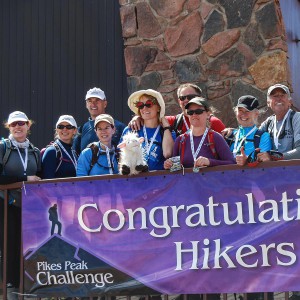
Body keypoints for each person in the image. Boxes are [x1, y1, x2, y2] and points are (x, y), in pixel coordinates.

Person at [0, 111, 41, 298]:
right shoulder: (3, 147)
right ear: (8, 126)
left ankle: (27, 288)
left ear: (28, 125)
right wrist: (25, 178)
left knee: (28, 246)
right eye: (13, 124)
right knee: (9, 246)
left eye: (21, 123)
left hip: (28, 208)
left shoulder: (33, 150)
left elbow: (39, 176)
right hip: (6, 205)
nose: (18, 127)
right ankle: (10, 290)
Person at [164, 97, 235, 171]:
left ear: (208, 114)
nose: (194, 115)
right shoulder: (180, 140)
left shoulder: (215, 137)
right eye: (190, 112)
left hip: (210, 182)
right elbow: (176, 169)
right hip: (186, 182)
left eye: (198, 111)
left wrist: (210, 162)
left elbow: (232, 163)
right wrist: (169, 165)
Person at [129, 83, 226, 136]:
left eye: (191, 97)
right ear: (179, 101)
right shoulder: (173, 121)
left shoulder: (213, 122)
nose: (186, 100)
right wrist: (138, 117)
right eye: (182, 98)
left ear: (200, 99)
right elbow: (151, 116)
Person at [121, 89, 174, 170]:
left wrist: (166, 127)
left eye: (149, 104)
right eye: (140, 105)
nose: (144, 108)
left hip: (158, 181)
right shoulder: (130, 130)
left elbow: (167, 154)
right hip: (134, 180)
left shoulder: (167, 132)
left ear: (158, 108)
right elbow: (122, 158)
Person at [73, 87, 125, 154]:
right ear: (86, 105)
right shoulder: (81, 130)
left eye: (97, 100)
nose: (93, 104)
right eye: (90, 101)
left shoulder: (120, 127)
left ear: (105, 104)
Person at [257, 83, 300, 162]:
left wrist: (274, 157)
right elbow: (253, 136)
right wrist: (232, 131)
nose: (279, 99)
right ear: (268, 103)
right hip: (274, 171)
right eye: (275, 96)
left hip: (294, 171)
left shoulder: (297, 118)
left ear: (290, 101)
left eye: (282, 95)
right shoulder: (268, 123)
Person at [226, 96, 272, 166]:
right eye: (240, 110)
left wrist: (247, 161)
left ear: (256, 114)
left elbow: (263, 166)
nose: (243, 114)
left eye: (247, 111)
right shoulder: (230, 135)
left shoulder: (263, 136)